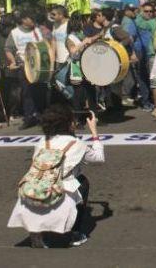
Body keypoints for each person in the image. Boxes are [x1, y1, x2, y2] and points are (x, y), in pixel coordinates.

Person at [8, 104, 104, 248]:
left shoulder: (42, 142)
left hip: (33, 190)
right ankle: (75, 234)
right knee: (82, 182)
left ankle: (36, 235)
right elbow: (99, 158)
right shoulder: (77, 144)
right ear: (69, 124)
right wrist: (94, 133)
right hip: (59, 192)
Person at [5, 12, 48, 129]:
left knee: (40, 91)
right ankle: (29, 118)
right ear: (24, 19)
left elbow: (47, 43)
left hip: (39, 66)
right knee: (27, 92)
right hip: (25, 66)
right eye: (31, 18)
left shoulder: (39, 30)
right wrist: (13, 61)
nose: (33, 20)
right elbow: (8, 48)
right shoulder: (15, 33)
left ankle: (41, 116)